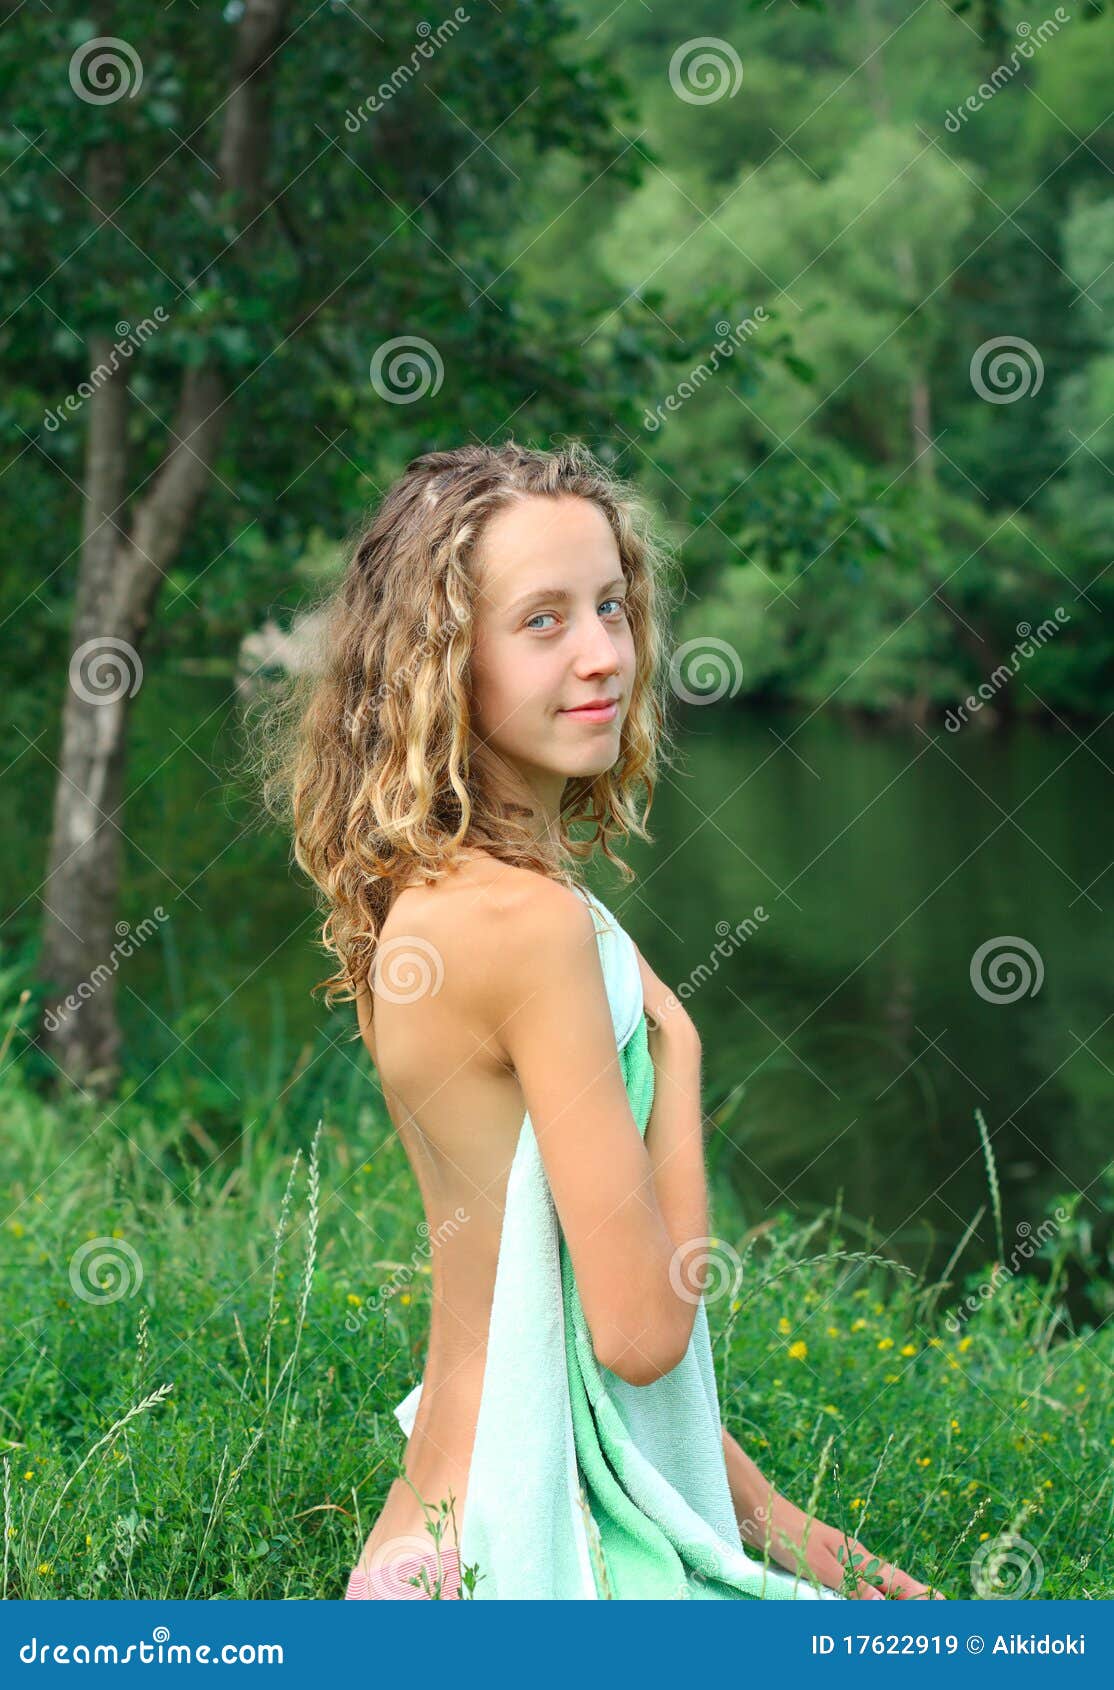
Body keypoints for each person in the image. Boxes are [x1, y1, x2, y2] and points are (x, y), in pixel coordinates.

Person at [267, 440, 944, 1602]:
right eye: (542, 621)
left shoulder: (427, 894)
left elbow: (553, 1333)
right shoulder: (532, 928)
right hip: (533, 1548)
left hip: (430, 1535)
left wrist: (779, 1525)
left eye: (612, 607)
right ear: (444, 659)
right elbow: (636, 1331)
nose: (604, 656)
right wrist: (678, 1053)